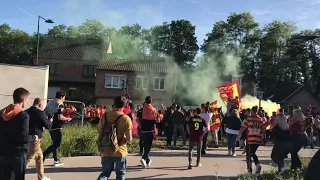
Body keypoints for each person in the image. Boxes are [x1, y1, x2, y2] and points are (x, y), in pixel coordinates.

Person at [97, 96, 133, 180]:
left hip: (106, 150)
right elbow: (129, 139)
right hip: (120, 151)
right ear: (124, 106)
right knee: (120, 175)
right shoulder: (126, 118)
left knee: (105, 173)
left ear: (114, 104)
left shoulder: (105, 116)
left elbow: (100, 131)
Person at [0, 88, 31, 180]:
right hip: (18, 153)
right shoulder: (23, 115)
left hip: (3, 151)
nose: (28, 102)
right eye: (28, 100)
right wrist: (33, 138)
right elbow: (24, 137)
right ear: (23, 100)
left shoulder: (2, 113)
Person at [25, 98, 52, 180]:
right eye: (43, 105)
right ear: (40, 105)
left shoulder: (26, 111)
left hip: (27, 137)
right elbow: (48, 125)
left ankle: (41, 177)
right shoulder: (40, 113)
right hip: (35, 139)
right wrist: (50, 120)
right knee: (29, 158)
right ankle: (13, 175)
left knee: (39, 157)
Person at [237, 106, 265, 175]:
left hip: (250, 139)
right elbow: (264, 129)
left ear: (252, 111)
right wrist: (262, 135)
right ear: (257, 111)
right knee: (252, 152)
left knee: (248, 155)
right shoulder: (261, 119)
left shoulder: (248, 118)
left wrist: (239, 135)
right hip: (258, 139)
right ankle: (257, 165)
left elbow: (243, 127)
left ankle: (250, 171)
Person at [140, 96, 160, 168]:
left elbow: (137, 118)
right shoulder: (154, 110)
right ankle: (144, 158)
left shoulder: (142, 109)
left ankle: (148, 161)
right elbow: (158, 120)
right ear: (151, 101)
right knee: (149, 146)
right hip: (150, 130)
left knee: (145, 145)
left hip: (143, 130)